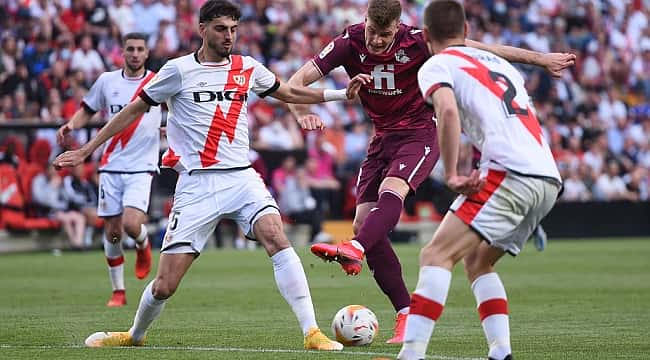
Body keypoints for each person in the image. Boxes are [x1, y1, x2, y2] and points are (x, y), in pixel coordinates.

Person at [54, 0, 369, 350]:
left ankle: (311, 333)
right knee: (164, 286)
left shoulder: (247, 67)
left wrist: (342, 94)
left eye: (234, 29)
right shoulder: (176, 71)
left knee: (276, 236)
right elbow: (133, 110)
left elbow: (290, 91)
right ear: (202, 29)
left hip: (241, 177)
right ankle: (135, 335)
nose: (229, 36)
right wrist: (87, 149)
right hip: (197, 185)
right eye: (221, 29)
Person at [288, 0, 574, 344]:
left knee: (392, 191)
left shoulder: (419, 41)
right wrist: (300, 111)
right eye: (373, 32)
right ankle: (404, 311)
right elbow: (295, 81)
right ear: (364, 21)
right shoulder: (349, 42)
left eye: (385, 34)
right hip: (381, 138)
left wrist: (541, 60)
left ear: (399, 26)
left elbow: (484, 50)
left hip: (419, 133)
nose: (377, 41)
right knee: (364, 222)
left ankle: (357, 249)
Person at [397, 1, 562, 359]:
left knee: (436, 254)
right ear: (467, 32)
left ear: (426, 36)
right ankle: (501, 352)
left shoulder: (436, 64)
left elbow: (448, 109)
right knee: (477, 262)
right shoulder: (499, 65)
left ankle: (411, 354)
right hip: (547, 177)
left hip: (510, 172)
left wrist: (453, 173)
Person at [57, 32, 161, 307]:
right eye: (131, 49)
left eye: (140, 49)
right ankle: (118, 291)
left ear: (147, 53)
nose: (135, 53)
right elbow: (88, 108)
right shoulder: (107, 81)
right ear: (122, 52)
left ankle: (142, 244)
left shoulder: (157, 81)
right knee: (113, 232)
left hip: (142, 166)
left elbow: (177, 110)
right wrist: (72, 125)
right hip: (111, 164)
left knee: (131, 223)